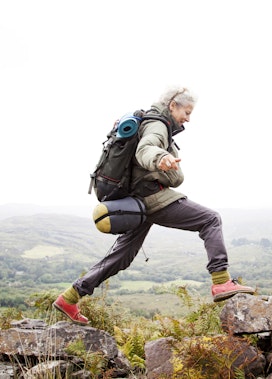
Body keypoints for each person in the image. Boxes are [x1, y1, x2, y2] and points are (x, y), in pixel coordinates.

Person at [54, 87, 255, 324]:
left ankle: (70, 297)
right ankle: (221, 281)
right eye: (186, 111)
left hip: (136, 203)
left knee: (122, 256)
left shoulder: (151, 122)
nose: (188, 118)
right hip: (152, 199)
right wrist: (160, 158)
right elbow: (146, 148)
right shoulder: (157, 125)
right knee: (210, 219)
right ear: (173, 105)